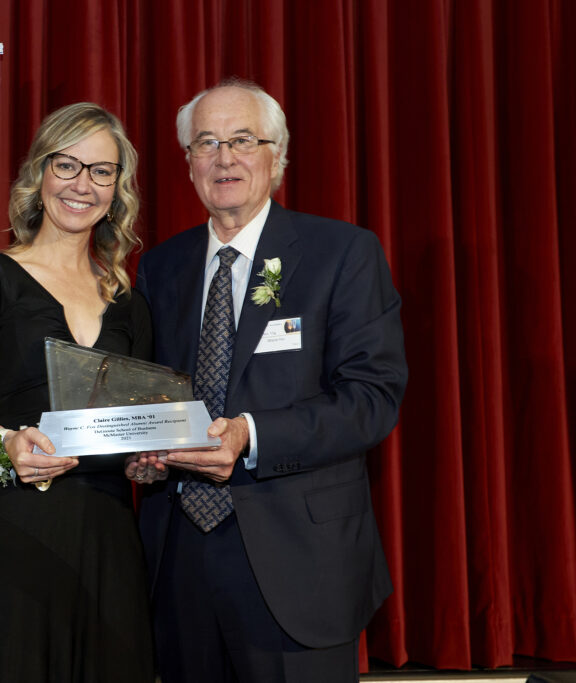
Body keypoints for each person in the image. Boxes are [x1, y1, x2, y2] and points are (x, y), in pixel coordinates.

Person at [127, 79, 408, 682]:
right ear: (189, 164)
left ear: (276, 156)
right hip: (178, 558)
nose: (224, 158)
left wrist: (250, 434)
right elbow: (150, 391)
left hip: (299, 561)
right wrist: (139, 445)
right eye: (206, 143)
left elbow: (372, 399)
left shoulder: (342, 253)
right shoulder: (160, 266)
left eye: (243, 140)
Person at [0, 102, 155, 683]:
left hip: (107, 543)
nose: (82, 185)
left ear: (117, 189)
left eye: (102, 171)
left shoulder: (130, 300)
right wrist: (3, 445)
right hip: (10, 532)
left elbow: (144, 419)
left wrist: (152, 461)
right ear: (40, 173)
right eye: (67, 165)